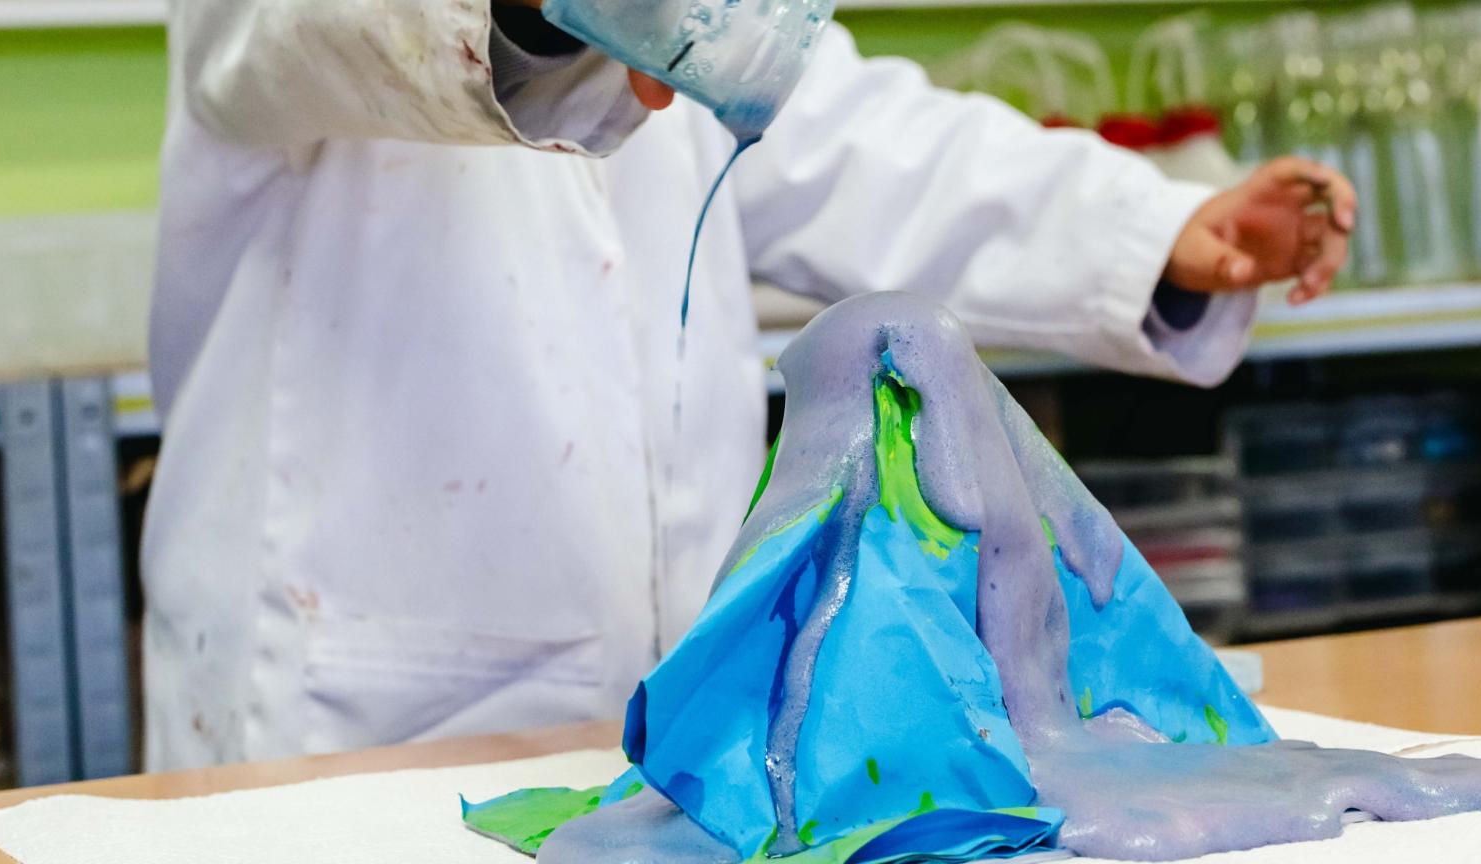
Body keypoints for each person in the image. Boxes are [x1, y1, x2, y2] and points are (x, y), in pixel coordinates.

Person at [144, 0, 1355, 770]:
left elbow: (855, 143)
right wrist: (556, 19)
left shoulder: (679, 27)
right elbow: (305, 32)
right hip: (352, 725)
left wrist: (1153, 227)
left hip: (675, 725)